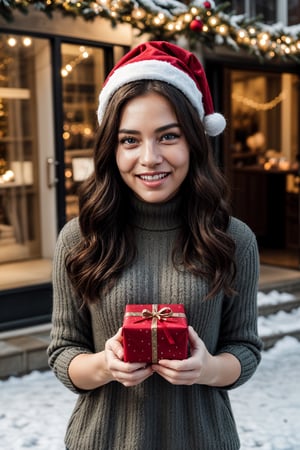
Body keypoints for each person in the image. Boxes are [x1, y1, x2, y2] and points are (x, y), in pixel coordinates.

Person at [48, 41, 262, 450]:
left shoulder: (233, 239)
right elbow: (63, 353)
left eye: (168, 136)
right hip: (102, 440)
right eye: (130, 140)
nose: (149, 158)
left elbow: (245, 348)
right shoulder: (81, 237)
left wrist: (207, 368)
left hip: (205, 440)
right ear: (111, 149)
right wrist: (104, 366)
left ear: (195, 142)